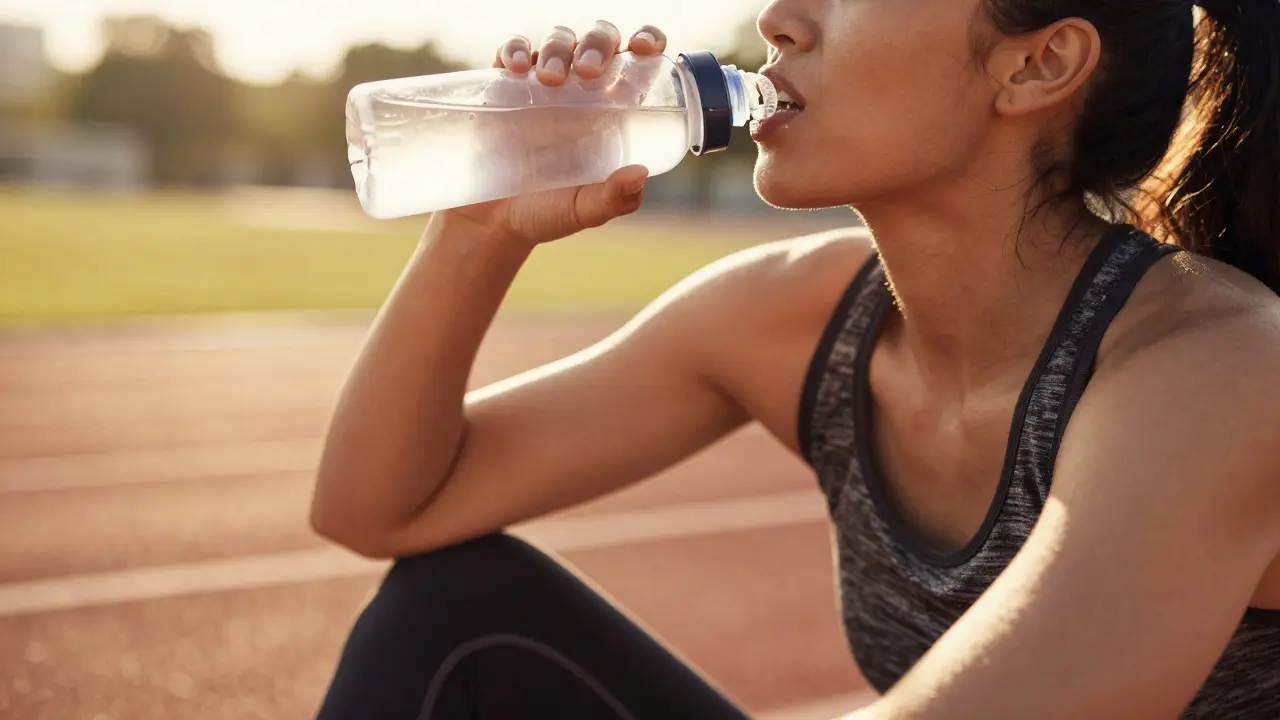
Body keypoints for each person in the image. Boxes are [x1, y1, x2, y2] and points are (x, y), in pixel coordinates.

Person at [309, 0, 1280, 717]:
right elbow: (381, 503)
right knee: (454, 614)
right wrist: (482, 228)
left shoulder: (1218, 367)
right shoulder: (797, 316)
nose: (776, 19)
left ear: (1035, 66)